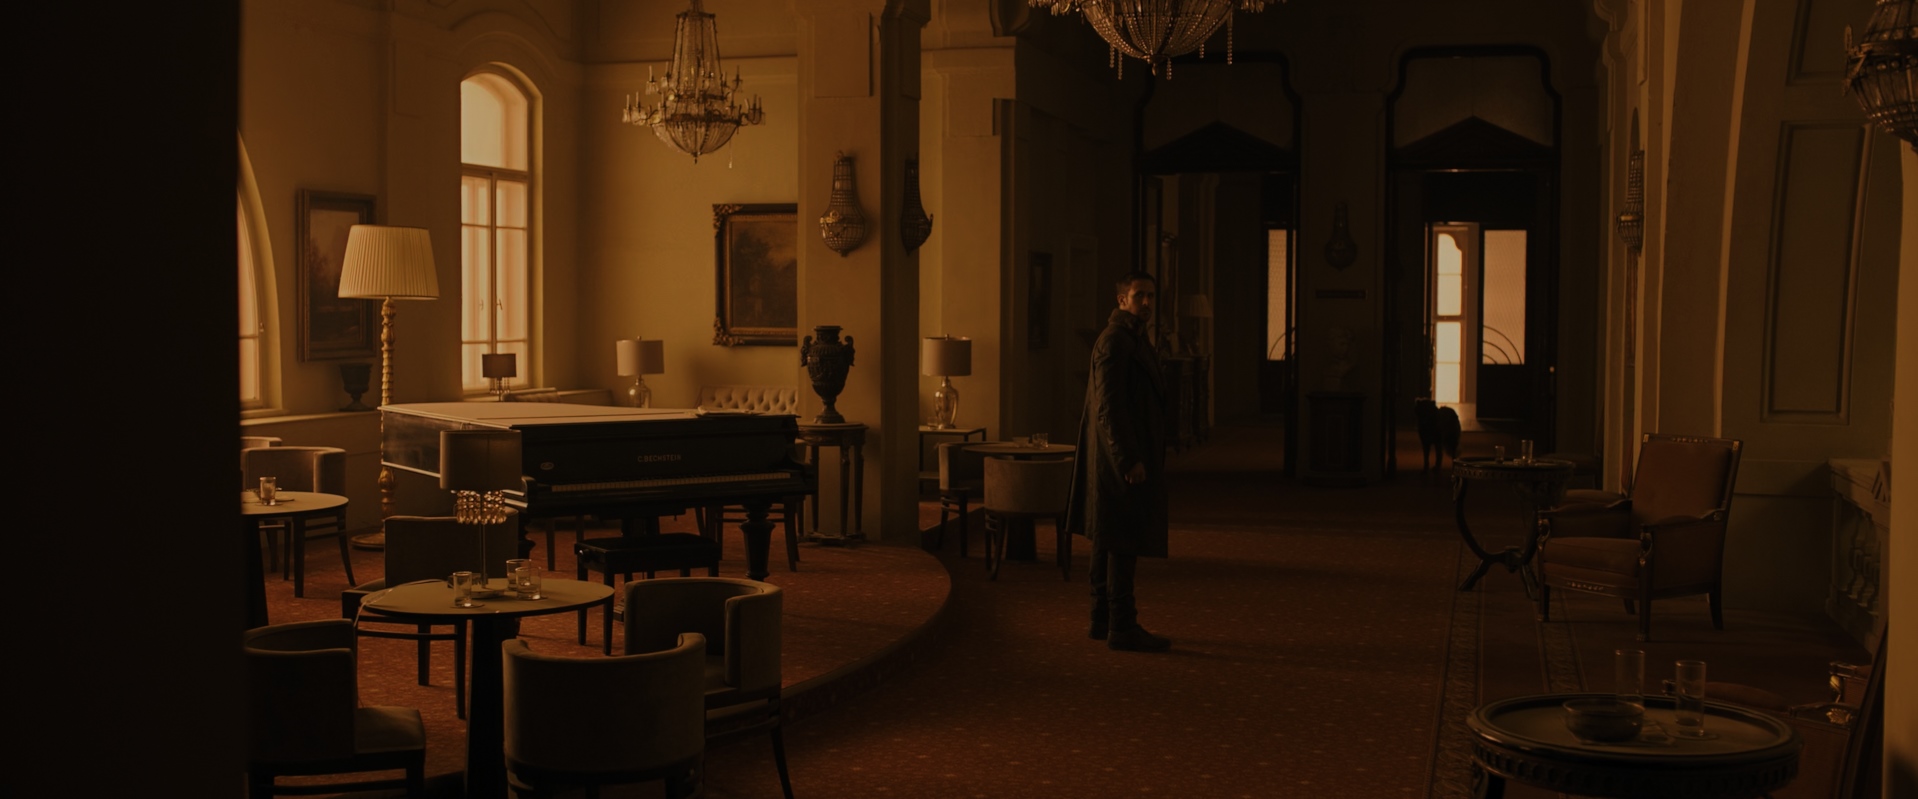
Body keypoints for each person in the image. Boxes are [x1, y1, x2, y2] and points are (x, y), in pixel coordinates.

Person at [1065, 271, 1171, 652]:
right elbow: (1110, 407)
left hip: (1118, 456)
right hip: (1118, 459)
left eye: (1151, 296)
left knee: (1108, 536)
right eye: (1139, 295)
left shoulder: (1132, 338)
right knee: (1121, 538)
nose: (1147, 303)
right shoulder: (1115, 341)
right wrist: (1129, 459)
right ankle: (1122, 625)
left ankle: (1102, 619)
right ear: (1122, 300)